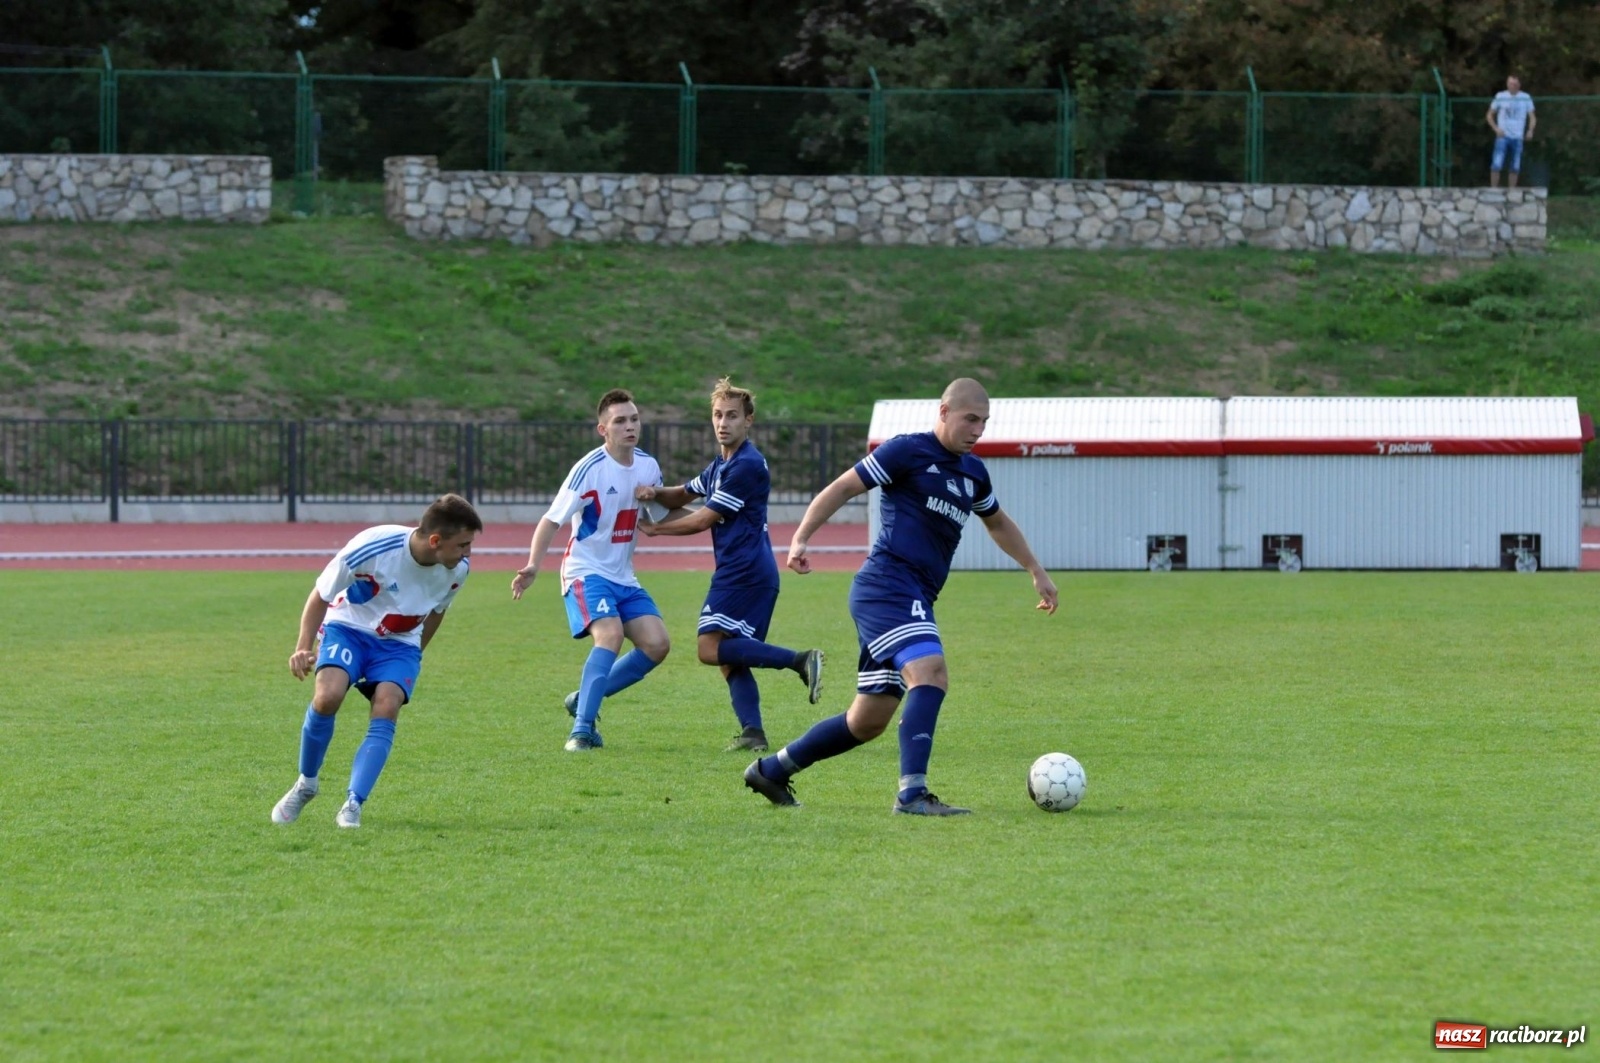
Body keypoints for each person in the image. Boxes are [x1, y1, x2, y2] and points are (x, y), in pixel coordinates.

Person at [743, 377, 1058, 815]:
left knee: (866, 721)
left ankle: (771, 770)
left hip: (913, 595)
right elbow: (843, 487)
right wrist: (800, 538)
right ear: (944, 412)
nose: (978, 430)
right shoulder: (907, 450)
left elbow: (997, 523)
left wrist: (1035, 569)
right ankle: (912, 794)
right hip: (887, 585)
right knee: (930, 672)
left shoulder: (973, 472)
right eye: (970, 419)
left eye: (984, 422)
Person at [636, 377, 825, 753]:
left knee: (709, 649)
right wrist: (655, 492)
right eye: (718, 415)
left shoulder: (747, 466)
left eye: (733, 416)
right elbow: (683, 495)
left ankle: (800, 660)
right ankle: (753, 733)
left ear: (749, 421)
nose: (723, 423)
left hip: (745, 572)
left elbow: (703, 518)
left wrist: (657, 529)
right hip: (744, 571)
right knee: (729, 657)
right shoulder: (720, 465)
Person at [270, 493, 481, 829]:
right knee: (327, 698)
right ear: (436, 540)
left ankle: (353, 802)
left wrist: (415, 655)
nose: (469, 553)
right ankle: (306, 784)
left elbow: (438, 612)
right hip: (348, 628)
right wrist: (302, 647)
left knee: (387, 704)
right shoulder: (373, 545)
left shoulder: (458, 570)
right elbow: (321, 595)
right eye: (463, 545)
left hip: (399, 644)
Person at [512, 388, 677, 751]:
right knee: (611, 635)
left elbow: (659, 516)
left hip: (623, 576)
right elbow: (551, 520)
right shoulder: (589, 469)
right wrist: (533, 565)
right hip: (585, 572)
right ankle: (581, 730)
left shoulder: (648, 467)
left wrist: (716, 517)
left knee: (657, 644)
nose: (630, 426)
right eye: (620, 421)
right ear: (603, 429)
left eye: (634, 419)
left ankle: (582, 698)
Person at [1487, 75, 1536, 189]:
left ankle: (1512, 191)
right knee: (1496, 163)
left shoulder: (1525, 97)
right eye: (1510, 83)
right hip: (1502, 135)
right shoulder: (1501, 96)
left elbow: (1532, 117)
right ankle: (1493, 189)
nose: (1512, 86)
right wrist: (1496, 129)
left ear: (1519, 85)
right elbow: (1489, 115)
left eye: (1514, 84)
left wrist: (1530, 130)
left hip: (1517, 136)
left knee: (1515, 166)